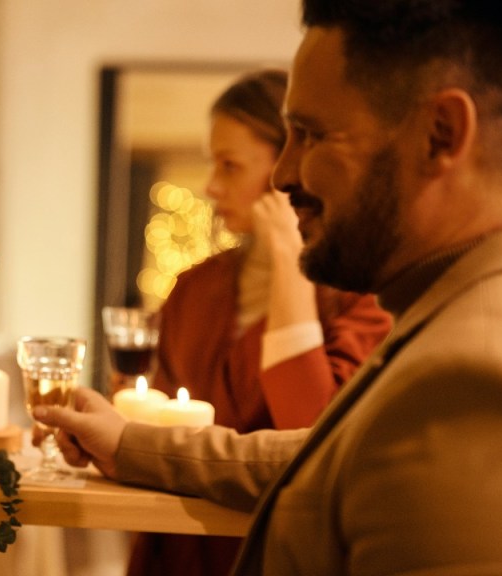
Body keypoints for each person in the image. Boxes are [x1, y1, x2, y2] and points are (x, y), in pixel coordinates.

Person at [35, 1, 502, 574]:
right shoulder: (452, 314)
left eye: (311, 135)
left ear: (440, 134)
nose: (282, 175)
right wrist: (126, 444)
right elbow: (327, 451)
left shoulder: (480, 373)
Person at [128, 70, 392, 576]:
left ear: (290, 169)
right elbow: (148, 419)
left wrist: (290, 258)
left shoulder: (363, 293)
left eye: (230, 166)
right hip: (177, 551)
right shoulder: (193, 287)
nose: (210, 186)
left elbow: (309, 430)